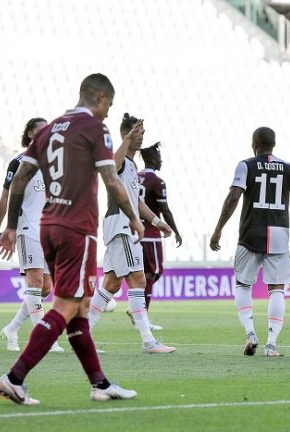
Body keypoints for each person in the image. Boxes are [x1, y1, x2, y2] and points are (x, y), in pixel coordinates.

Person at [0, 73, 142, 405]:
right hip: (78, 229)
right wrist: (134, 217)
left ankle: (99, 383)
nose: (107, 114)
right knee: (65, 306)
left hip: (47, 225)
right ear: (100, 97)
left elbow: (20, 178)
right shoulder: (94, 128)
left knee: (81, 307)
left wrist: (10, 225)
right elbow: (111, 180)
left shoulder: (50, 129)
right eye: (109, 106)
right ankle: (14, 377)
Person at [210, 127, 290, 357]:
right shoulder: (289, 168)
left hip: (250, 233)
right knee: (277, 290)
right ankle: (271, 344)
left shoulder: (246, 165)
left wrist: (218, 229)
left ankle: (251, 333)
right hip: (279, 235)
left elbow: (234, 196)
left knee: (244, 285)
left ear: (254, 144)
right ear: (274, 144)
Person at [88, 113, 175, 353]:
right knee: (138, 280)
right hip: (122, 226)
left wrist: (158, 222)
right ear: (127, 134)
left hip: (125, 224)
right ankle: (148, 341)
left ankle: (82, 336)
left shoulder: (133, 165)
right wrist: (126, 138)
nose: (141, 139)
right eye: (138, 134)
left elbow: (136, 200)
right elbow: (112, 165)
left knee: (112, 284)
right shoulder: (118, 160)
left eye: (142, 134)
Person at [0, 118, 64, 353]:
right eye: (40, 130)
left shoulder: (54, 163)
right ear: (30, 133)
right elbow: (5, 199)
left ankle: (12, 328)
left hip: (48, 232)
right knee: (35, 282)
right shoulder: (18, 162)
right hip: (27, 228)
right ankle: (44, 340)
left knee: (46, 287)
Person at [136, 141, 182, 331]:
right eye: (160, 158)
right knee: (152, 273)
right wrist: (176, 231)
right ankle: (142, 317)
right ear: (154, 159)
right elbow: (165, 210)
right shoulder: (157, 181)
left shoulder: (134, 176)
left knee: (139, 276)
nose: (161, 161)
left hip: (133, 231)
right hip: (151, 234)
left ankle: (138, 311)